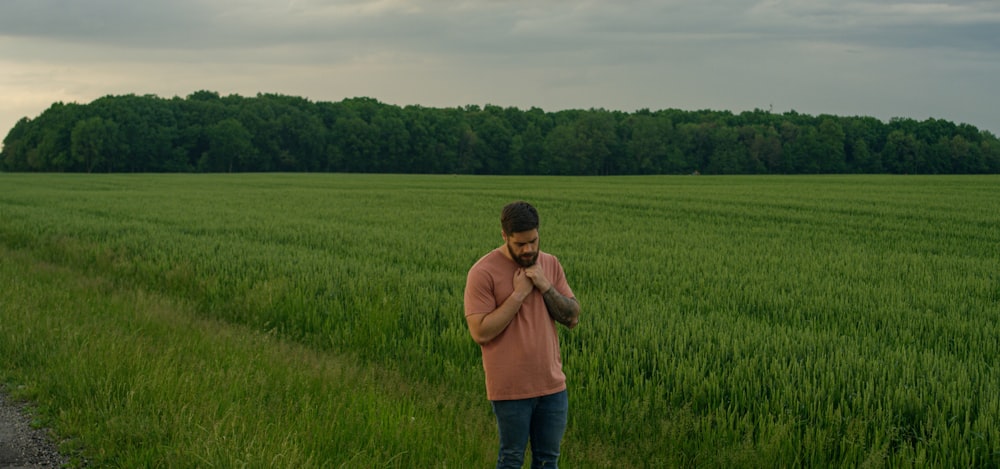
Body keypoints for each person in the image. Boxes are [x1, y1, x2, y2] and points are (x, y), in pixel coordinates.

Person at [463, 201, 581, 469]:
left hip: (552, 387)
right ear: (504, 236)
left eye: (533, 241)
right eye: (520, 244)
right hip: (510, 389)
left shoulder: (549, 264)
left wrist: (544, 286)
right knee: (511, 459)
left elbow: (572, 317)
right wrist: (518, 294)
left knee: (548, 460)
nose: (529, 249)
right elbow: (480, 331)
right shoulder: (482, 272)